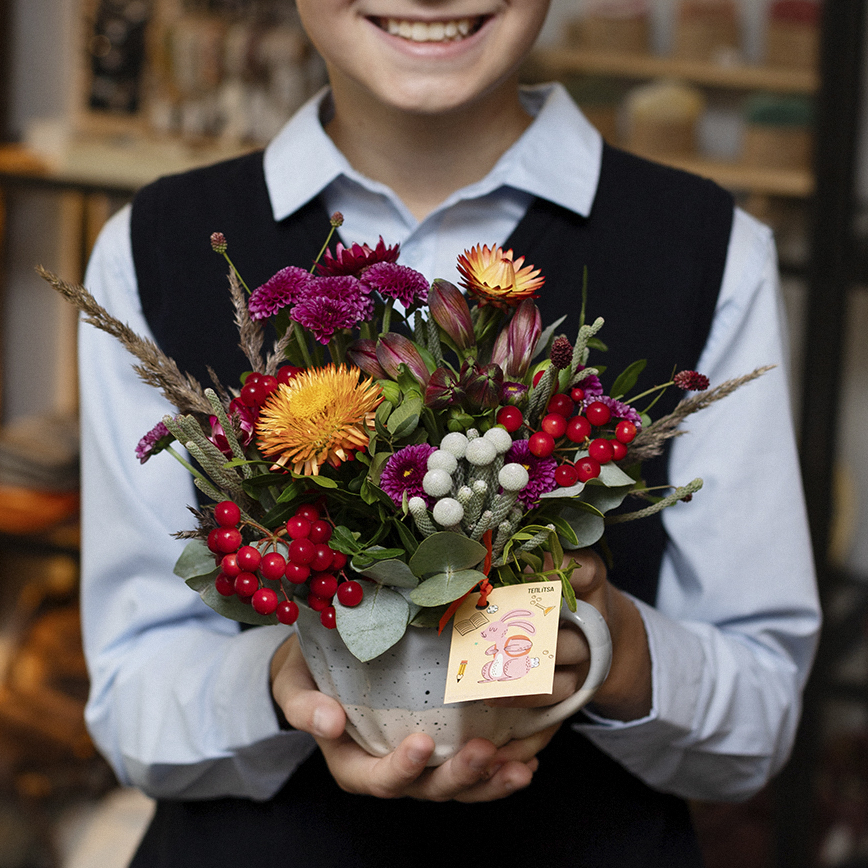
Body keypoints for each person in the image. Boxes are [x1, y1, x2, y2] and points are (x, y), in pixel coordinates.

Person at [79, 2, 821, 865]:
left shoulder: (710, 249)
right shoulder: (149, 248)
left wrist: (616, 651)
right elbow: (131, 698)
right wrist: (283, 681)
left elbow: (762, 719)